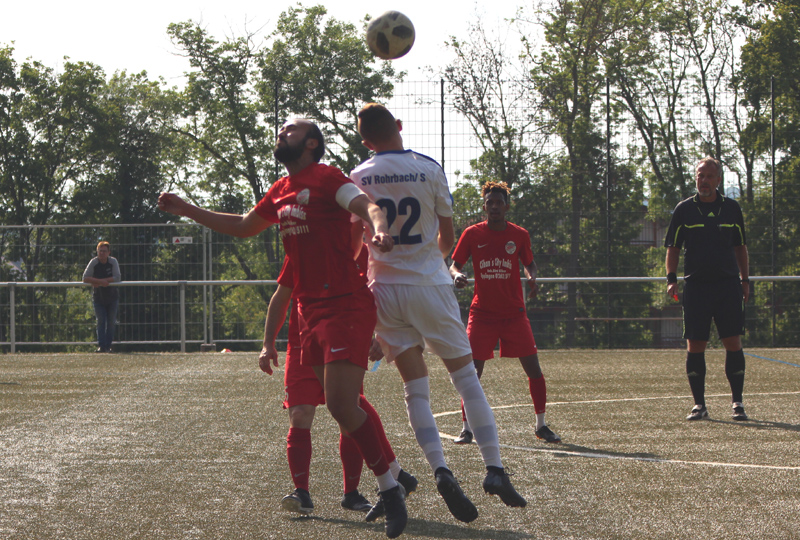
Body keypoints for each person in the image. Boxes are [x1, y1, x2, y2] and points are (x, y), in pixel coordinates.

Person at [158, 118, 407, 539]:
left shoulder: (328, 178)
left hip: (345, 304)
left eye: (289, 130)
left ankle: (390, 488)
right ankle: (390, 481)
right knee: (334, 405)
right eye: (280, 131)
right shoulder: (280, 189)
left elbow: (368, 206)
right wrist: (187, 209)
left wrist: (379, 229)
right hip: (309, 312)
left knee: (344, 405)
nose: (280, 134)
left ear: (311, 142)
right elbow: (242, 226)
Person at [350, 103, 527, 524]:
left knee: (416, 388)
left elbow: (356, 242)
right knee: (466, 379)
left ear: (365, 141)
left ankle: (441, 470)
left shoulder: (357, 177)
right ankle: (494, 470)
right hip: (429, 284)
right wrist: (427, 257)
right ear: (398, 126)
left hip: (384, 291)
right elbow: (446, 239)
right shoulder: (428, 168)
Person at [260, 255, 417, 516]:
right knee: (299, 413)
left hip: (342, 341)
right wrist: (268, 343)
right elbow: (282, 295)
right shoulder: (302, 244)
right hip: (302, 344)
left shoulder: (356, 245)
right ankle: (302, 492)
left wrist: (382, 333)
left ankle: (352, 493)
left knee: (349, 410)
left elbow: (378, 290)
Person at [449, 181, 561, 445]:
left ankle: (541, 425)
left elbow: (530, 264)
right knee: (471, 373)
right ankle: (467, 428)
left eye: (500, 202)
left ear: (507, 206)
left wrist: (532, 278)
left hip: (514, 315)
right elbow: (454, 265)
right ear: (485, 206)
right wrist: (456, 276)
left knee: (534, 370)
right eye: (491, 203)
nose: (495, 206)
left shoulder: (519, 235)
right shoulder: (472, 234)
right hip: (482, 315)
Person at [664, 157, 750, 422]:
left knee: (732, 342)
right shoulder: (684, 210)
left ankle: (737, 403)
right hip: (697, 288)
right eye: (701, 175)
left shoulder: (732, 209)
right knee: (695, 344)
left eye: (710, 176)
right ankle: (699, 405)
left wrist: (745, 280)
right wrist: (671, 278)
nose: (704, 180)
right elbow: (673, 248)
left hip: (727, 287)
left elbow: (740, 247)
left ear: (719, 180)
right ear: (696, 178)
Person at [82, 241, 121, 353]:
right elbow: (85, 278)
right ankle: (101, 346)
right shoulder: (94, 262)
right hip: (98, 297)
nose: (102, 253)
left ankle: (108, 346)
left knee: (111, 321)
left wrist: (104, 282)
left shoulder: (113, 262)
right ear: (97, 252)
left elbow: (117, 277)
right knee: (100, 321)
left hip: (112, 297)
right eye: (100, 251)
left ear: (109, 252)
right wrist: (100, 282)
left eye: (104, 251)